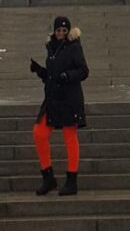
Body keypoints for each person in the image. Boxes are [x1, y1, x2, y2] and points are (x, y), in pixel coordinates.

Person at [30, 14, 89, 196]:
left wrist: (68, 76)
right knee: (39, 133)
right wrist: (41, 71)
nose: (62, 33)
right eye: (59, 30)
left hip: (69, 98)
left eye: (64, 30)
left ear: (69, 31)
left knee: (70, 137)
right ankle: (48, 177)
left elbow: (83, 70)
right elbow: (52, 75)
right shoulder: (52, 48)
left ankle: (72, 181)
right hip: (53, 98)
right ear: (54, 32)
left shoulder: (74, 47)